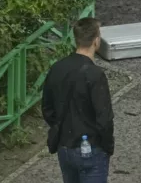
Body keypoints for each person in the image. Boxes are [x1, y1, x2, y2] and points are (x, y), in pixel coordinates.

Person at [42, 17, 113, 183]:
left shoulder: (57, 68)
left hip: (65, 147)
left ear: (76, 39)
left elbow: (47, 108)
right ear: (96, 41)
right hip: (91, 148)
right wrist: (107, 147)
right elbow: (104, 118)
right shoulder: (95, 74)